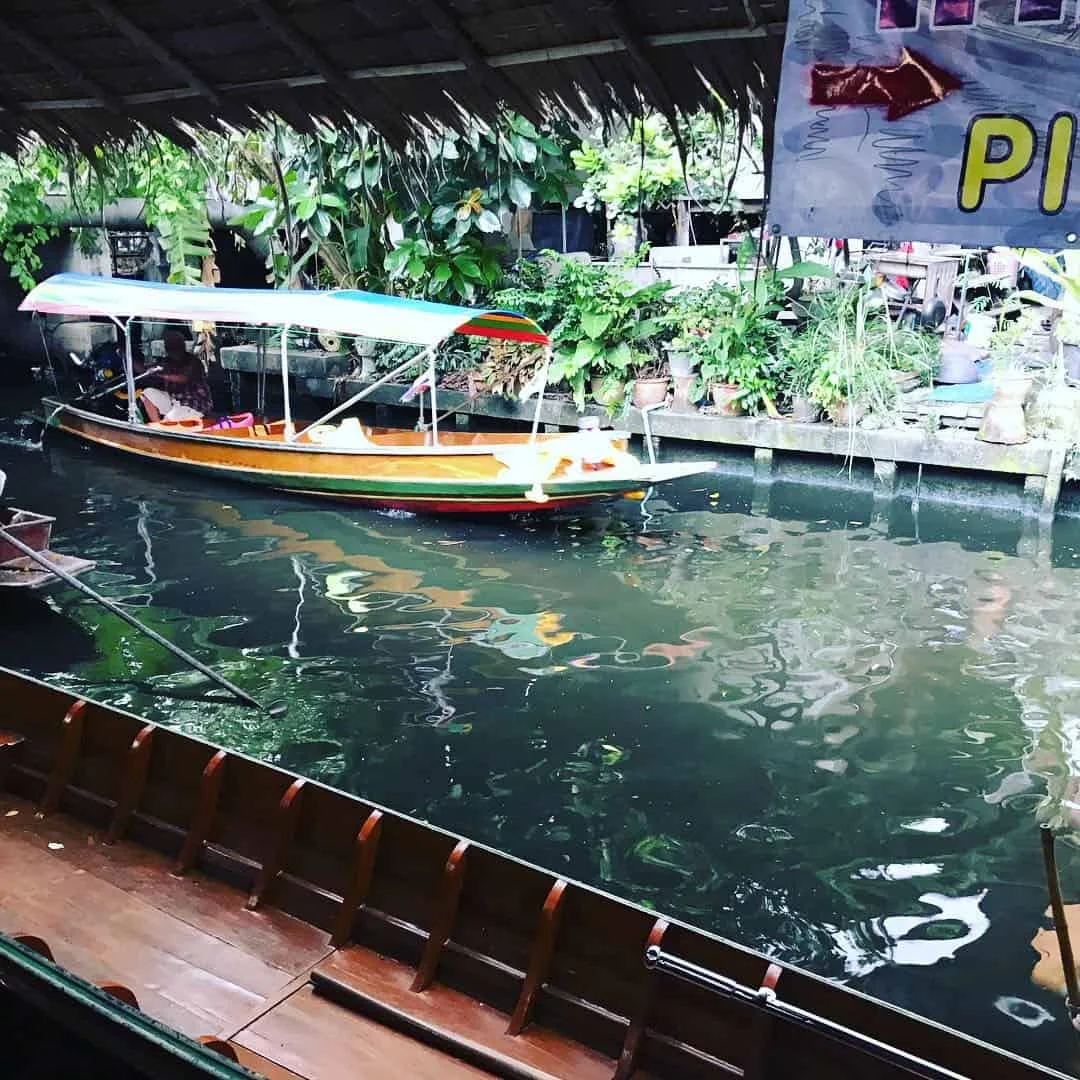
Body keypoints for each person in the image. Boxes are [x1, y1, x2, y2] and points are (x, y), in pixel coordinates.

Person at [141, 330, 213, 422]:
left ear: (182, 346)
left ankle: (163, 428)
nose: (171, 349)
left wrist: (161, 375)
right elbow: (144, 370)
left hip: (194, 404)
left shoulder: (193, 362)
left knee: (168, 420)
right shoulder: (167, 361)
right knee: (147, 393)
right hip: (175, 401)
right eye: (169, 346)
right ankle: (157, 425)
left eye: (174, 345)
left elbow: (183, 378)